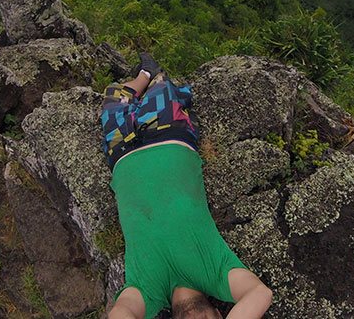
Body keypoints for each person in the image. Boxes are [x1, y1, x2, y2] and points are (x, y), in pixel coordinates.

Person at [101, 53, 273, 319]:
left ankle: (143, 75)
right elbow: (260, 294)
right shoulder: (217, 274)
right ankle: (153, 75)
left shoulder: (148, 294)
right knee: (162, 87)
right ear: (218, 313)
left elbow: (121, 313)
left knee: (113, 98)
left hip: (121, 153)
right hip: (170, 136)